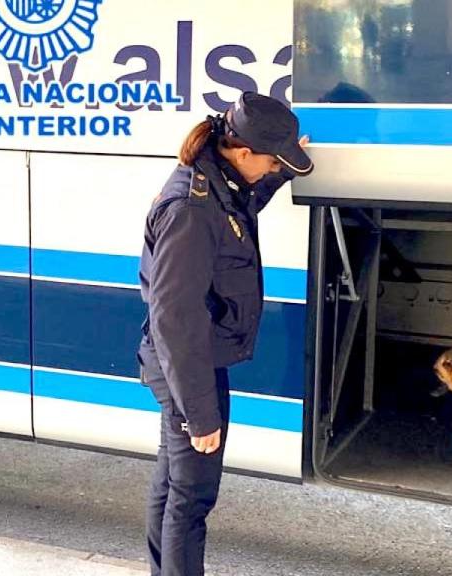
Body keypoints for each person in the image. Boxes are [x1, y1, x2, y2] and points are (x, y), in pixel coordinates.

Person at [136, 92, 313, 576]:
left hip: (192, 360)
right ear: (241, 152)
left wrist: (279, 171)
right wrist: (201, 414)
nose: (270, 169)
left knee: (174, 484)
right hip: (188, 367)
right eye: (270, 161)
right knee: (191, 498)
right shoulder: (191, 210)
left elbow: (246, 200)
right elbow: (176, 318)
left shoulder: (220, 185)